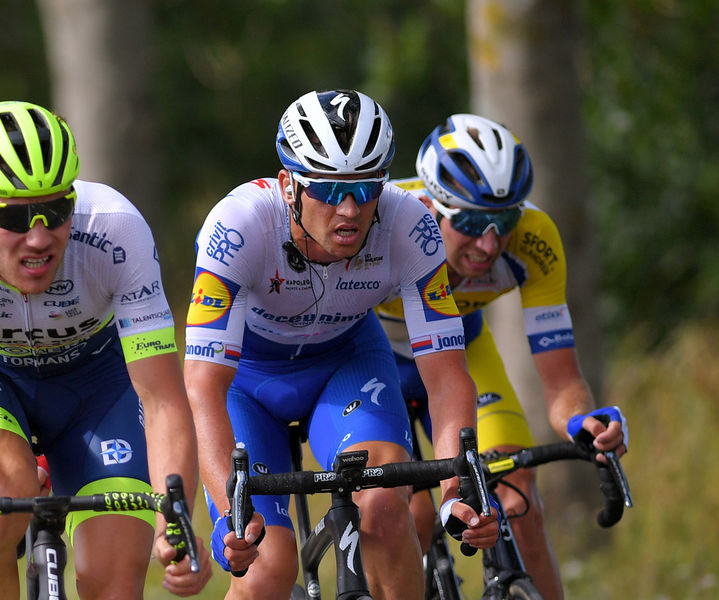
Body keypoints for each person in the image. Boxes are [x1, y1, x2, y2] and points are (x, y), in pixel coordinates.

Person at [183, 89, 499, 599]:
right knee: (267, 565)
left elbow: (446, 375)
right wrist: (228, 516)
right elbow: (203, 385)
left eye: (365, 188)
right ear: (289, 185)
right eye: (328, 191)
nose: (350, 210)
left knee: (384, 509)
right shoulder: (237, 226)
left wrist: (456, 491)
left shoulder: (411, 225)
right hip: (248, 383)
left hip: (346, 362)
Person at [377, 113, 629, 600]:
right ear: (431, 204)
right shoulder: (386, 225)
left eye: (503, 222)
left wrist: (584, 421)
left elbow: (562, 384)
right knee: (409, 512)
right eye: (470, 222)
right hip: (375, 359)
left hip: (461, 349)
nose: (489, 244)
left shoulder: (536, 241)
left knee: (517, 495)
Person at [0, 100, 211, 599]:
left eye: (55, 211)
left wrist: (174, 516)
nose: (38, 237)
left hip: (97, 389)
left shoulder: (114, 228)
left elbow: (162, 399)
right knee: (9, 484)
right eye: (15, 216)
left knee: (114, 581)